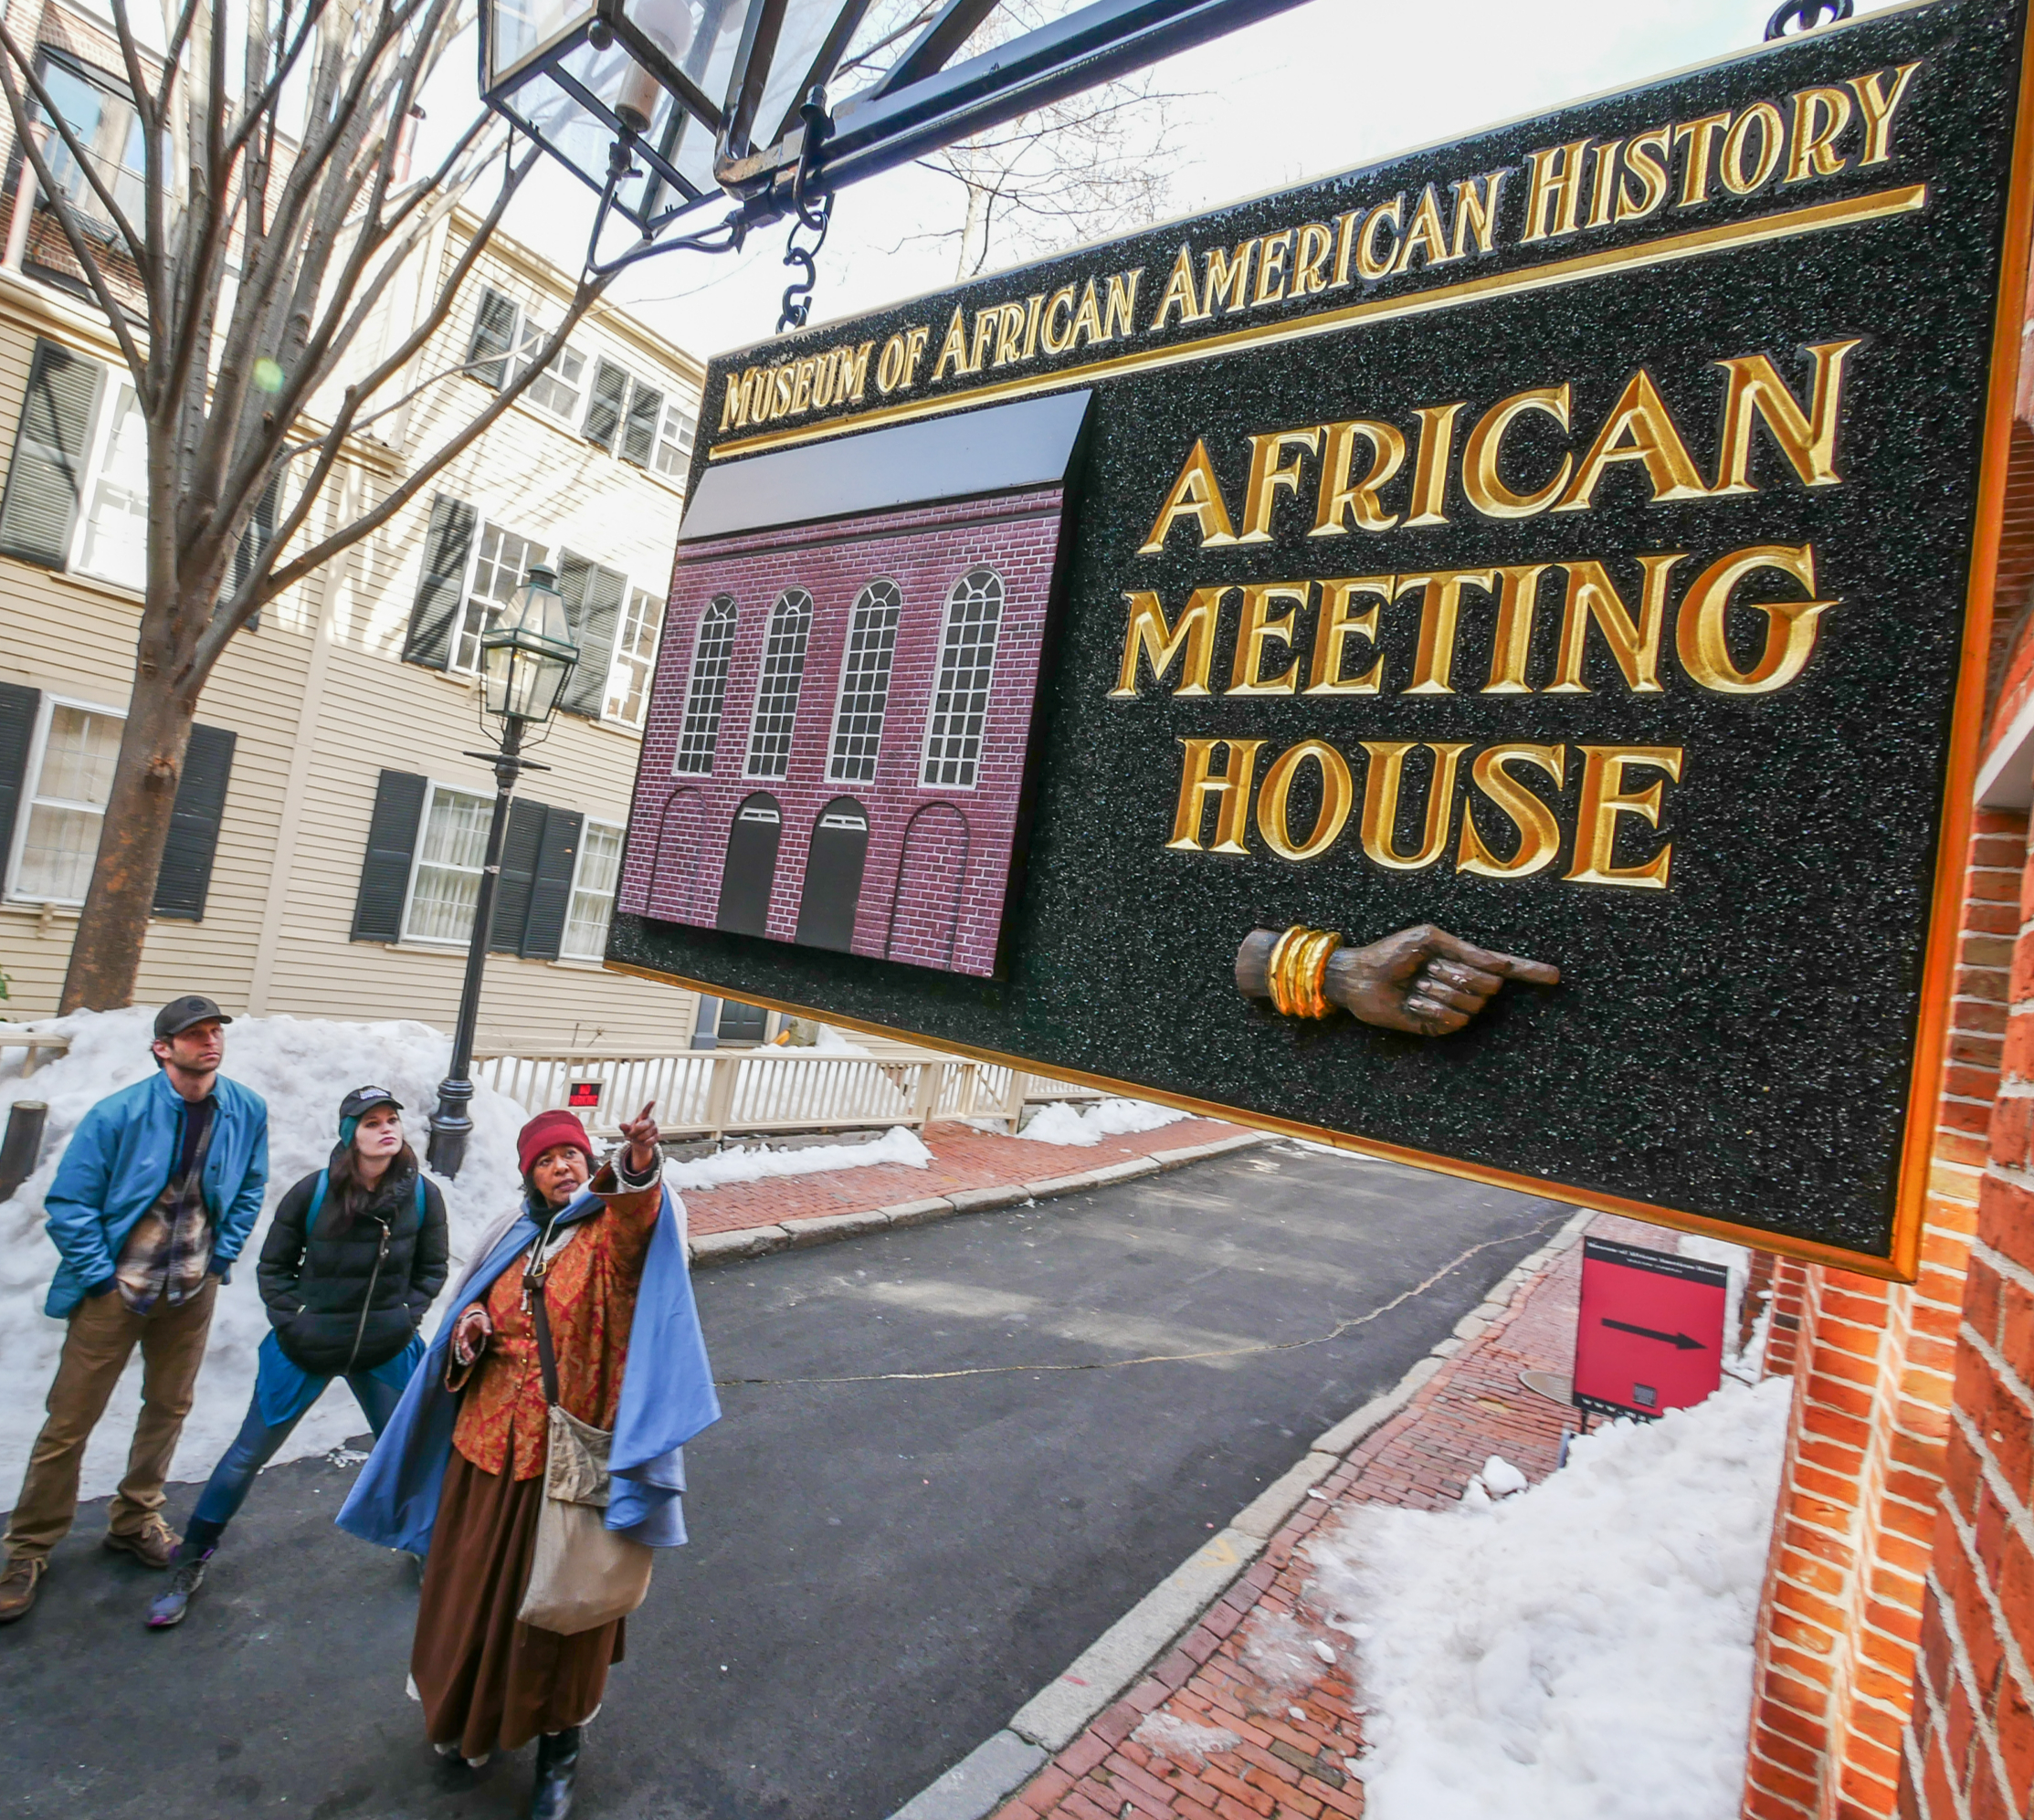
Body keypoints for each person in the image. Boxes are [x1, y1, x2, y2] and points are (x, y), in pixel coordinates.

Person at [339, 1104, 717, 1820]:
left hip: (562, 1463)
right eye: (545, 1160)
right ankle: (471, 1722)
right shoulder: (508, 1239)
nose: (561, 1167)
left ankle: (558, 1754)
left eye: (571, 1155)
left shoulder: (607, 1235)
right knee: (471, 1602)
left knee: (562, 1611)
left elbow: (639, 1218)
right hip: (483, 1454)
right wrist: (470, 1330)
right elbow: (463, 1324)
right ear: (529, 1175)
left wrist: (636, 1165)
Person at [0, 994, 269, 1625]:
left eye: (214, 1032)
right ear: (162, 1047)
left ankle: (135, 1515)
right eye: (194, 1034)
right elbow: (70, 1202)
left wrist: (220, 1258)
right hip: (118, 1290)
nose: (210, 1042)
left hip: (190, 1290)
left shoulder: (245, 1109)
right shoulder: (118, 1114)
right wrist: (100, 1277)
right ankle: (28, 1547)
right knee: (70, 1420)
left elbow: (251, 1183)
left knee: (169, 1407)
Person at [146, 1085, 448, 1627]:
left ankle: (422, 1543)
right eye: (369, 1122)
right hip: (306, 1347)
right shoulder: (312, 1193)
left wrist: (408, 1315)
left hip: (384, 1345)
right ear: (348, 1135)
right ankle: (191, 1560)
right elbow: (274, 1268)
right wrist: (295, 1318)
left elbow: (432, 1267)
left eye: (390, 1120)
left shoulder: (422, 1196)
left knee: (407, 1449)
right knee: (245, 1456)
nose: (385, 1129)